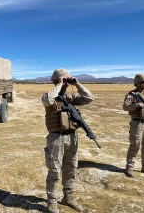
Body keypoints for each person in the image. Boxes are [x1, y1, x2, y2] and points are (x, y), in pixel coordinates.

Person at [42, 68, 94, 213]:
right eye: (63, 80)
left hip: (72, 136)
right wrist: (59, 85)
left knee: (71, 169)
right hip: (56, 138)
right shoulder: (50, 97)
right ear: (56, 81)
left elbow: (90, 98)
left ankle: (68, 197)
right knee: (54, 171)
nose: (66, 83)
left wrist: (77, 84)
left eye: (67, 80)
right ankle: (52, 202)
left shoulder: (72, 98)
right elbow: (47, 100)